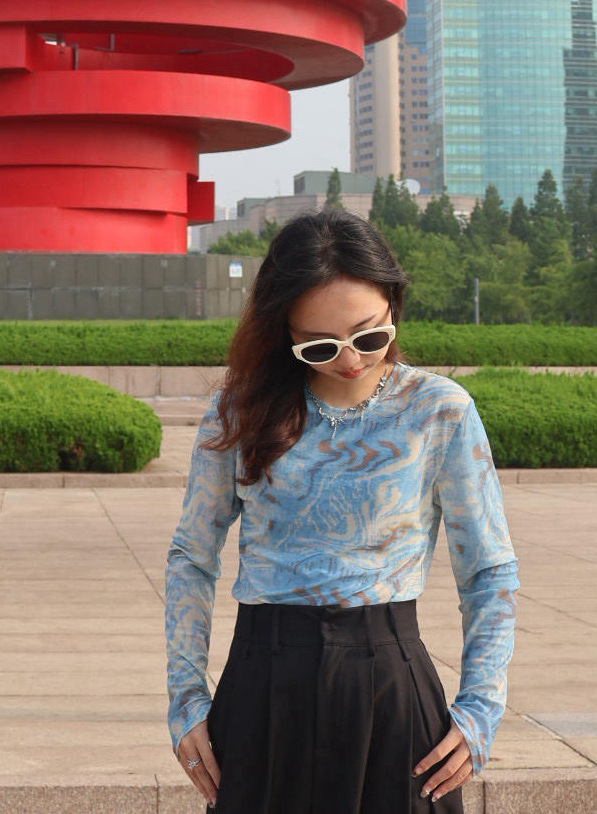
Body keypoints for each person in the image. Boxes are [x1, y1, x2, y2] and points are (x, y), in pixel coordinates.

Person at [164, 208, 518, 812]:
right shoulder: (241, 413)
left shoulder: (439, 410)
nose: (351, 359)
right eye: (321, 345)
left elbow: (489, 570)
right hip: (263, 688)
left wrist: (481, 707)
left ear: (393, 303)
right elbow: (191, 558)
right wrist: (186, 700)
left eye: (369, 335)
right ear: (285, 333)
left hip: (392, 690)